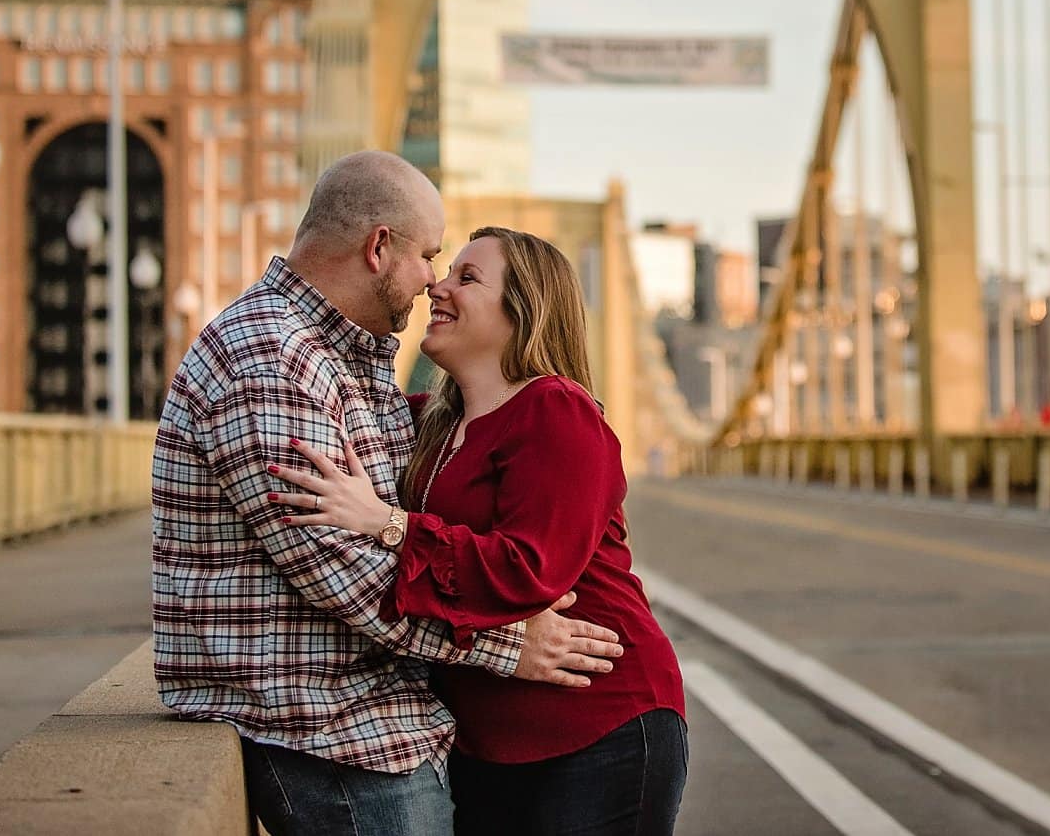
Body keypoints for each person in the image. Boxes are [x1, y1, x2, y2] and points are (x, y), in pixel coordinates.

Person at [153, 152, 626, 836]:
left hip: (380, 724)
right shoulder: (272, 359)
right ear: (379, 247)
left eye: (458, 271)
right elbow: (342, 572)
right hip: (331, 734)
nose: (434, 281)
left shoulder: (347, 360)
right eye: (431, 257)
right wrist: (510, 644)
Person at [269, 225, 688, 835]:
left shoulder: (556, 410)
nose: (437, 287)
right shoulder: (429, 425)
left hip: (601, 724)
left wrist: (390, 525)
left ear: (522, 311)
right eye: (445, 271)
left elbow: (530, 572)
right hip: (485, 744)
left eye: (467, 278)